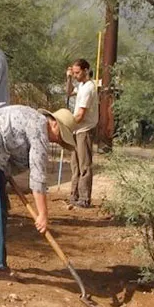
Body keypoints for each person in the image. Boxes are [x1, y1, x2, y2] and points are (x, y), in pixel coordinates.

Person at [0, 105, 77, 278]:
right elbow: (38, 177)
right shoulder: (40, 131)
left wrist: (3, 172)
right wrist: (42, 214)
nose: (57, 142)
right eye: (60, 138)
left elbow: (12, 156)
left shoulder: (31, 116)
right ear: (55, 124)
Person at [66, 59, 98, 208]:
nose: (75, 75)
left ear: (86, 70)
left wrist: (66, 124)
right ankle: (74, 194)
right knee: (75, 164)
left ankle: (84, 198)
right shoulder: (81, 85)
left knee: (84, 164)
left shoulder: (89, 88)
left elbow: (80, 115)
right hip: (77, 129)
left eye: (77, 73)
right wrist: (68, 78)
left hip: (84, 129)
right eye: (74, 72)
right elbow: (68, 92)